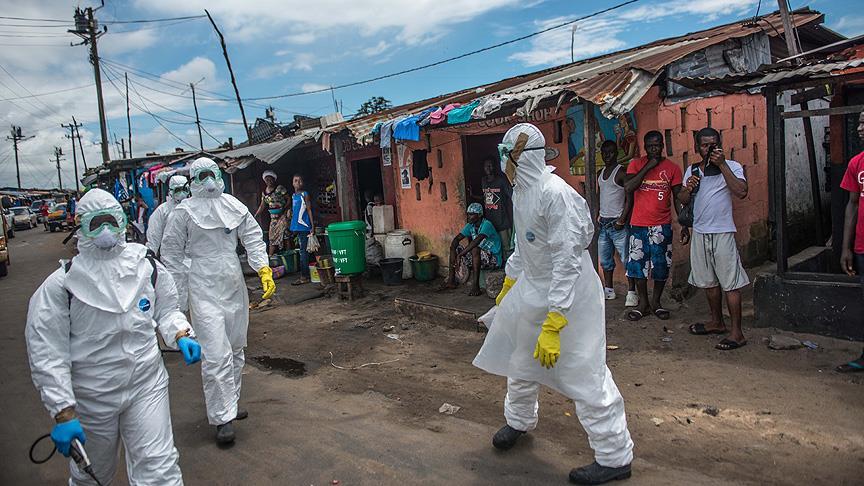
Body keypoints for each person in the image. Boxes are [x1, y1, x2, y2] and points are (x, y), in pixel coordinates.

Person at [474, 123, 633, 485]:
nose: (502, 163)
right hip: (533, 287)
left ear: (523, 158)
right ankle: (518, 420)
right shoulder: (522, 191)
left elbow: (566, 260)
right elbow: (525, 245)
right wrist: (511, 281)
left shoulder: (554, 194)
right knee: (520, 358)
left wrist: (555, 320)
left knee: (584, 371)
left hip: (570, 294)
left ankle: (614, 456)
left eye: (506, 155)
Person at [25, 188, 201, 485]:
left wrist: (181, 332)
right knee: (93, 476)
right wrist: (63, 410)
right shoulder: (62, 285)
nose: (105, 230)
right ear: (80, 226)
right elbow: (47, 352)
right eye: (96, 223)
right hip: (92, 396)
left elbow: (167, 309)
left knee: (159, 469)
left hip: (146, 384)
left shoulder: (146, 268)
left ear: (123, 222)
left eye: (111, 221)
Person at [161, 157, 275, 445]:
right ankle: (221, 417)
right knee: (215, 353)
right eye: (201, 176)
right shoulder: (183, 213)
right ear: (193, 181)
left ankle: (231, 404)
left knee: (236, 348)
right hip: (202, 283)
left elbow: (252, 236)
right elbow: (172, 256)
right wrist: (177, 299)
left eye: (212, 173)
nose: (209, 180)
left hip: (233, 281)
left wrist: (263, 267)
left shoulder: (233, 206)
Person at [680, 128, 750, 350]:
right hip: (700, 232)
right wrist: (688, 189)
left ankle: (737, 333)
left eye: (713, 144)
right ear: (696, 147)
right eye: (704, 145)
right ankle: (716, 322)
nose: (708, 149)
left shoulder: (733, 167)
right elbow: (681, 199)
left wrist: (721, 165)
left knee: (730, 283)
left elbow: (741, 191)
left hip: (722, 232)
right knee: (709, 282)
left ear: (720, 145)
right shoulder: (692, 170)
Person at [624, 130, 685, 321]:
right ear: (644, 146)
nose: (654, 149)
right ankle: (643, 304)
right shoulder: (635, 164)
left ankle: (657, 302)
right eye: (650, 146)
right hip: (638, 224)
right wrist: (648, 167)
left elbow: (677, 197)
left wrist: (683, 222)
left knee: (661, 266)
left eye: (657, 146)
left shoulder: (672, 168)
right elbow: (629, 187)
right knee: (637, 267)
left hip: (661, 225)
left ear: (662, 146)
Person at [836, 112, 864, 372]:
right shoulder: (857, 163)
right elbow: (852, 205)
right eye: (859, 123)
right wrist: (846, 247)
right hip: (862, 246)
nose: (859, 128)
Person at [597, 139, 638, 306]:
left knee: (627, 258)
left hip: (617, 224)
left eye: (611, 152)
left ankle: (632, 292)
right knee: (605, 260)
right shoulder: (600, 173)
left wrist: (622, 219)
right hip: (603, 223)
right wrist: (596, 216)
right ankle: (609, 290)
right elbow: (600, 196)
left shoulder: (621, 172)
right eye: (605, 153)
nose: (608, 156)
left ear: (617, 153)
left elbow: (630, 197)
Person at [147, 175, 191, 311]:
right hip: (172, 260)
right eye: (178, 190)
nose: (182, 193)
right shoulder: (162, 211)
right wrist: (150, 255)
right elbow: (154, 234)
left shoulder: (194, 208)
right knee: (175, 293)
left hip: (192, 258)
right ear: (170, 190)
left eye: (185, 189)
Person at [441, 202, 504, 296]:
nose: (468, 216)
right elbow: (457, 239)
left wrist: (461, 254)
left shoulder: (487, 224)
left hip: (493, 259)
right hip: (479, 257)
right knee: (454, 247)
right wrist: (454, 249)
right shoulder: (471, 225)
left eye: (471, 214)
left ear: (479, 215)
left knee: (475, 249)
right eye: (468, 214)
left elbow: (476, 242)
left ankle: (476, 286)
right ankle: (451, 280)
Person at [480, 156, 514, 256]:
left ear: (495, 167)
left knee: (507, 247)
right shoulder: (483, 181)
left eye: (490, 165)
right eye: (486, 166)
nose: (488, 168)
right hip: (490, 221)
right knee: (493, 246)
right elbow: (485, 197)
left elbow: (512, 195)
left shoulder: (501, 181)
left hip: (502, 220)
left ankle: (508, 269)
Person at [253, 170, 291, 257]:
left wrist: (284, 209)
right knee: (272, 237)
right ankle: (270, 257)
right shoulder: (264, 193)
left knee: (285, 236)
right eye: (267, 179)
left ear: (274, 180)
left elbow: (288, 199)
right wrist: (255, 215)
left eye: (271, 179)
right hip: (273, 218)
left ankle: (289, 255)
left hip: (282, 216)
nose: (269, 181)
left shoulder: (279, 188)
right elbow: (262, 205)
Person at [289, 174, 315, 285]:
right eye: (296, 181)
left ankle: (305, 277)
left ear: (302, 183)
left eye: (300, 181)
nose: (298, 183)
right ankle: (305, 275)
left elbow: (309, 210)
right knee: (302, 251)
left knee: (303, 252)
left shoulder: (305, 194)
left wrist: (312, 226)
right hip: (297, 227)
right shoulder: (293, 196)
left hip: (304, 226)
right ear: (293, 183)